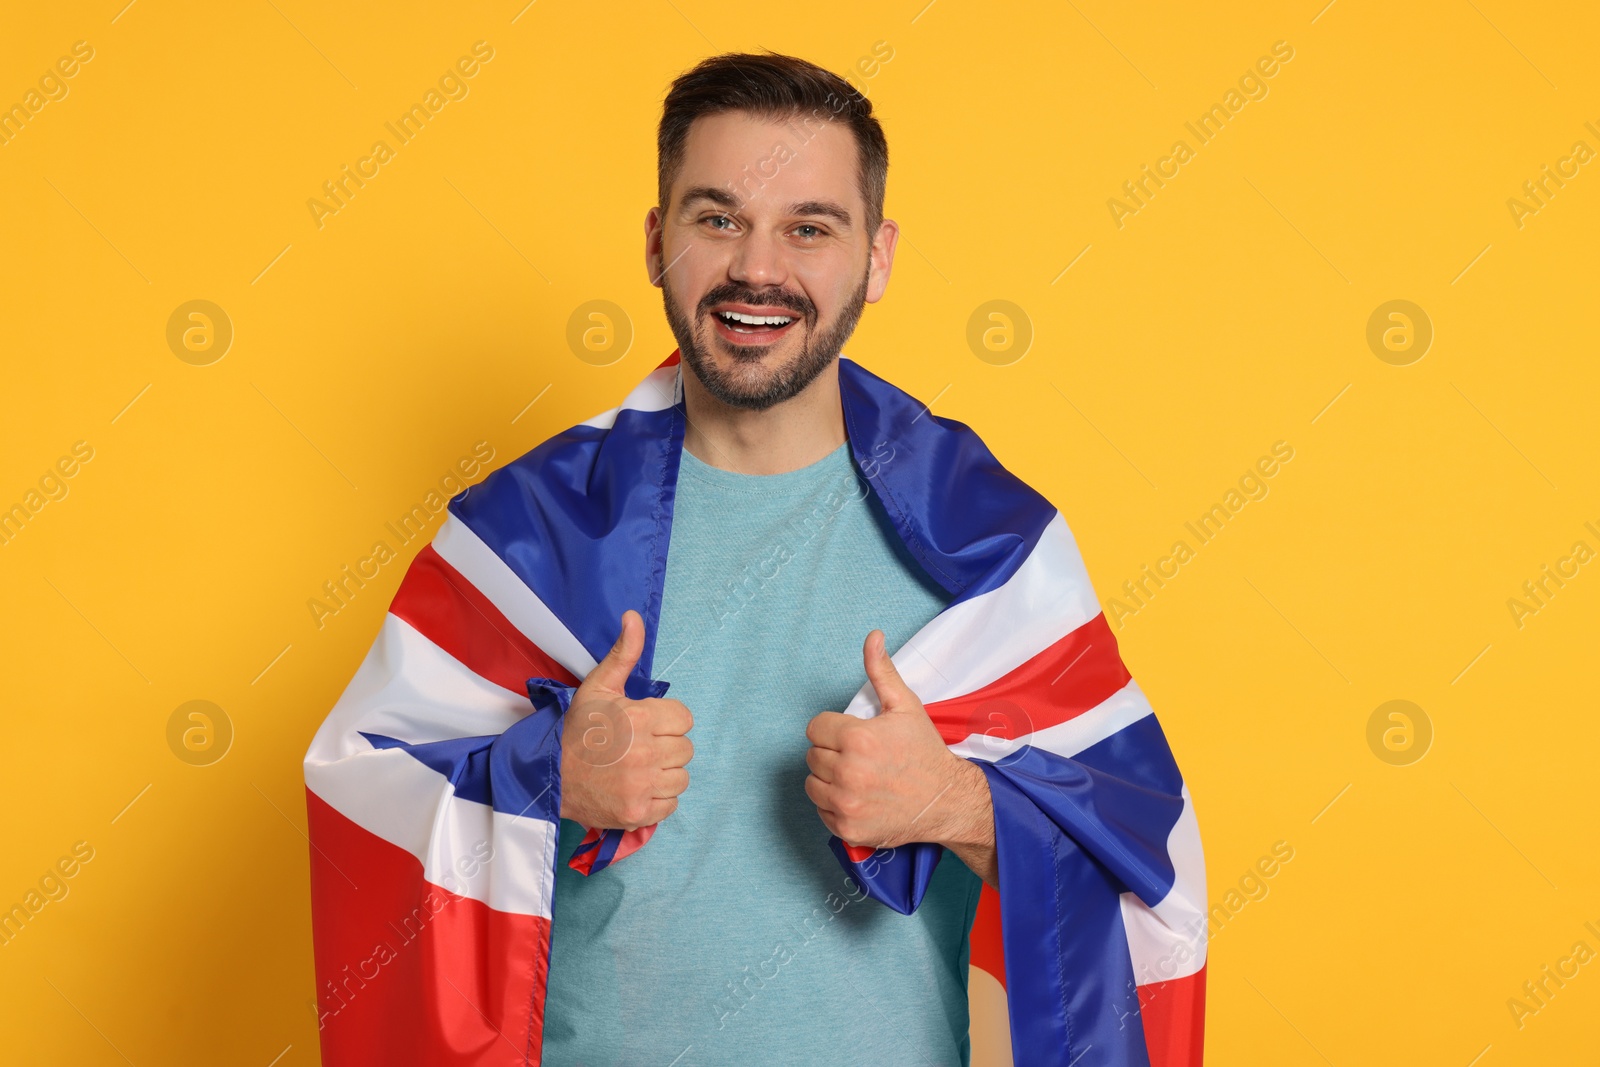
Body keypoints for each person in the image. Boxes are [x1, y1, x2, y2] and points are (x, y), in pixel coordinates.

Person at [305, 50, 1206, 1067]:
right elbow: (358, 798)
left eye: (809, 228)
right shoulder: (527, 530)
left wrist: (953, 803)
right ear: (657, 242)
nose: (757, 269)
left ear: (877, 255)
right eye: (716, 218)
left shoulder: (992, 545)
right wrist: (542, 771)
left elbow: (1146, 863)